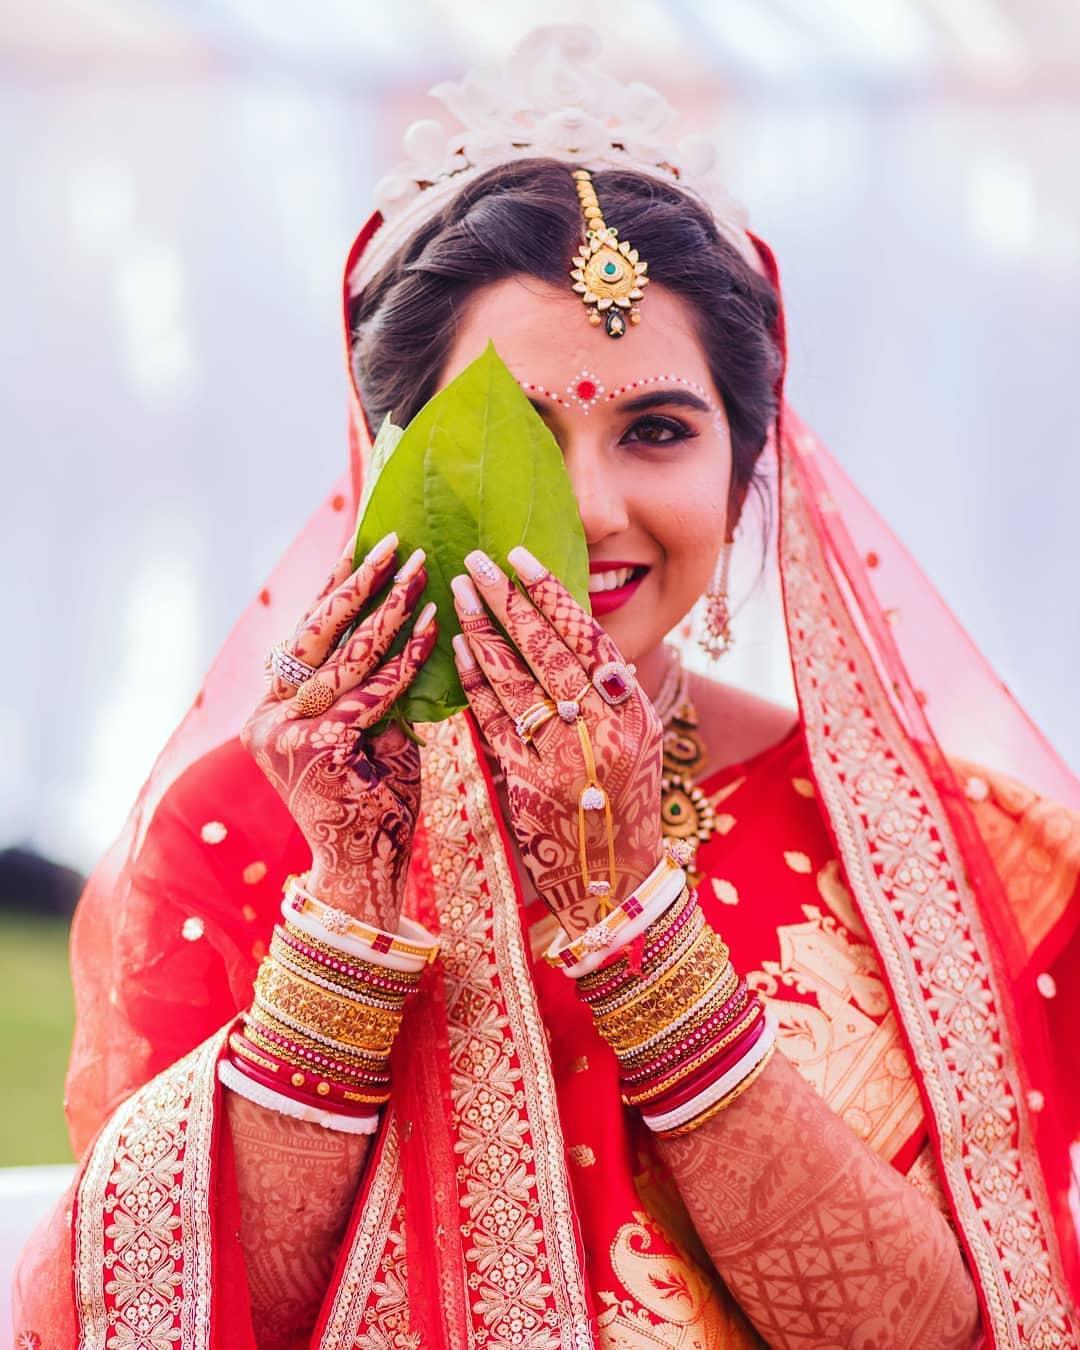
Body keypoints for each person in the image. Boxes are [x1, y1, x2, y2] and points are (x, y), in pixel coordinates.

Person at [13, 24, 1080, 1350]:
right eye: (513, 433)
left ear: (748, 469)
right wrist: (350, 904)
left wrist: (630, 916)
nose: (587, 508)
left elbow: (929, 1333)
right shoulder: (257, 827)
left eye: (657, 430)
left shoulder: (937, 851)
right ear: (391, 466)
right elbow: (165, 1321)